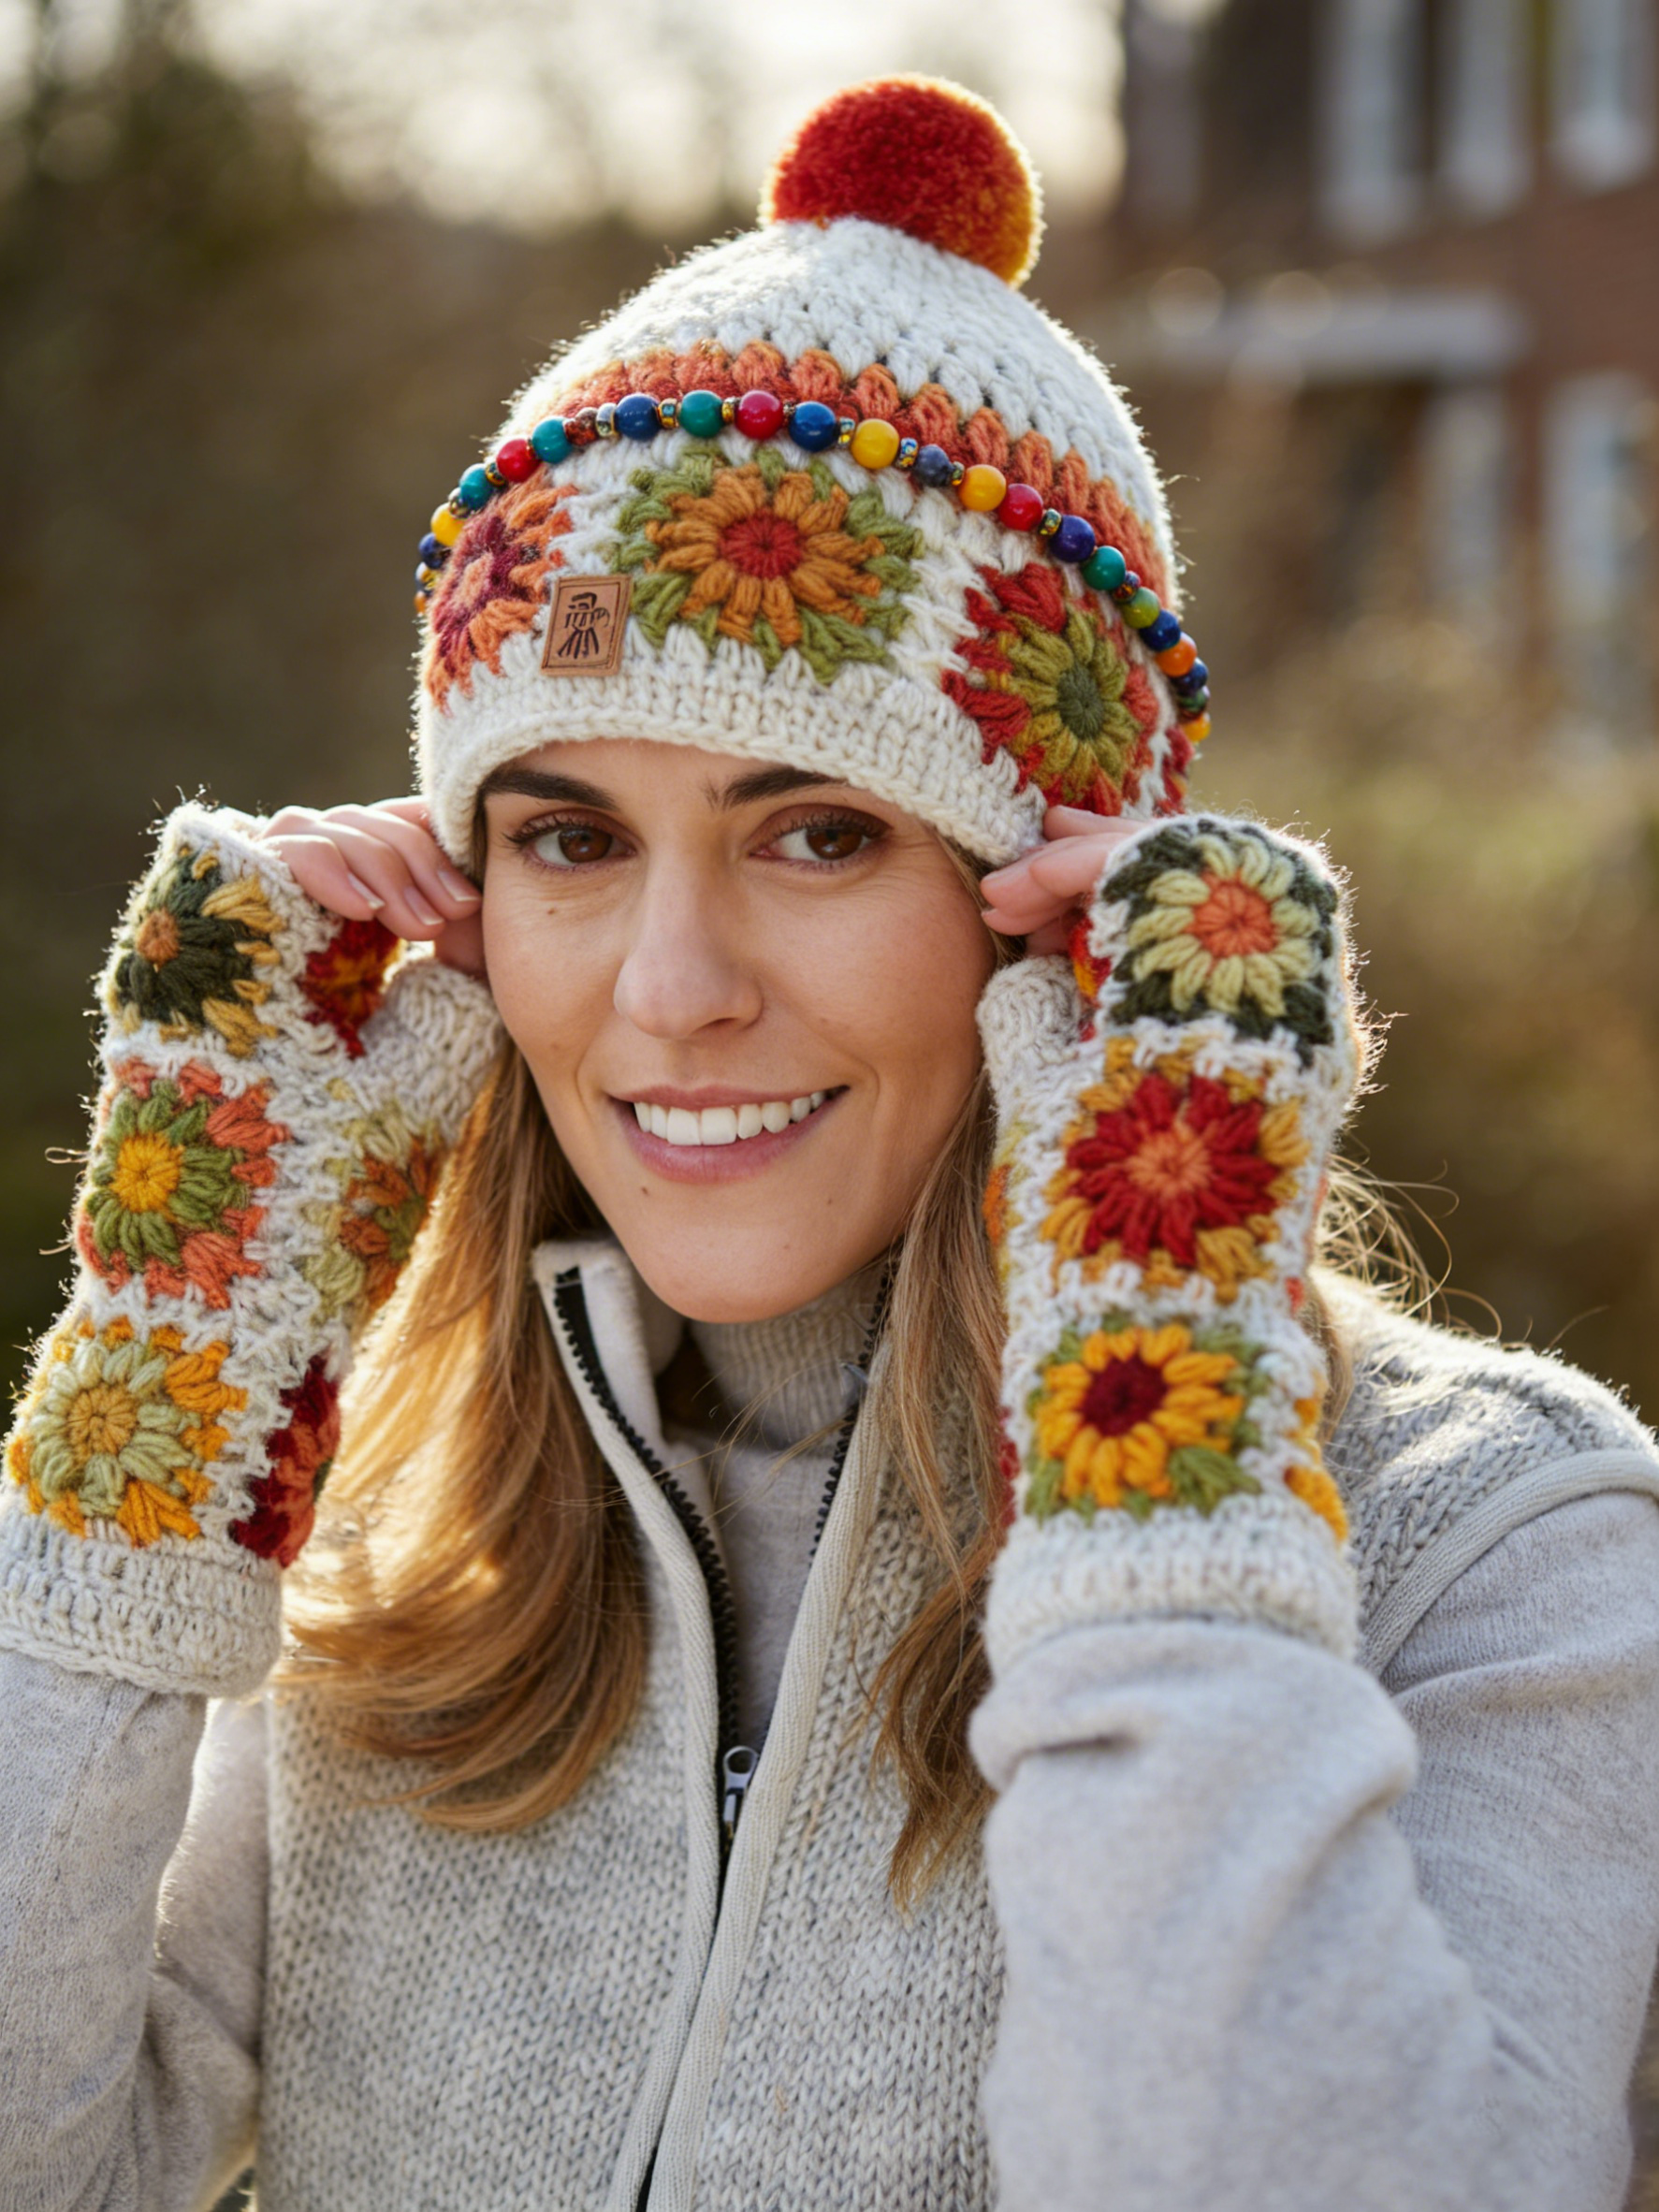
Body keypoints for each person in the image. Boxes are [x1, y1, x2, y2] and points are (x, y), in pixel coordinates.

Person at [2, 75, 1657, 2212]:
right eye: (571, 839)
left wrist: (1154, 1409)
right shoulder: (401, 1550)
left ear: (1075, 894)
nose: (667, 986)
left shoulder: (1492, 1549)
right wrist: (163, 1384)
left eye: (818, 831)